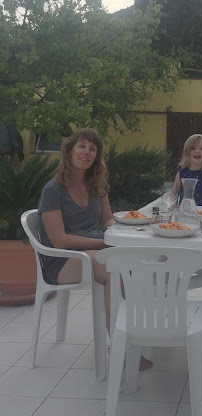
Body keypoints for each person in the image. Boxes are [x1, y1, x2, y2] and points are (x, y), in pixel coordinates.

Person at [38, 128, 153, 370]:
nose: (87, 152)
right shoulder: (52, 190)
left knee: (140, 264)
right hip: (62, 260)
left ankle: (139, 334)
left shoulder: (97, 184)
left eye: (92, 149)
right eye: (82, 146)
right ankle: (120, 347)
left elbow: (107, 221)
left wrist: (127, 232)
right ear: (69, 151)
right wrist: (104, 243)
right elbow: (59, 240)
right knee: (114, 267)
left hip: (95, 251)